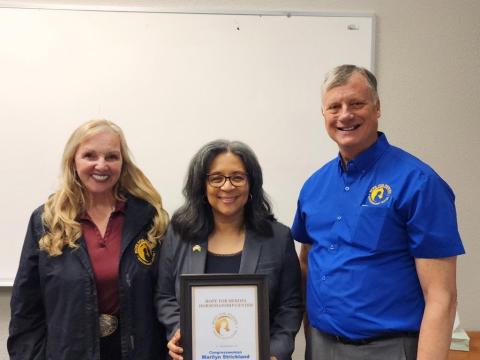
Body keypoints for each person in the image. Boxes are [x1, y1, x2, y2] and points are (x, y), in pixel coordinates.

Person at [292, 65, 465, 360]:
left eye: (356, 104)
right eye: (334, 106)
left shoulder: (419, 183)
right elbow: (307, 264)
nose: (345, 115)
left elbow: (442, 297)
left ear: (377, 108)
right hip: (321, 346)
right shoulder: (313, 186)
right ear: (324, 115)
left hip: (389, 348)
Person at [8, 119, 169, 360]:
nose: (101, 165)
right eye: (90, 156)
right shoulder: (47, 220)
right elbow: (26, 310)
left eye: (112, 157)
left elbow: (165, 297)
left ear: (123, 163)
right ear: (73, 160)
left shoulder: (148, 219)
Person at [155, 140, 303, 360]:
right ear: (201, 186)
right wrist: (180, 330)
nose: (227, 187)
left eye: (237, 177)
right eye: (216, 178)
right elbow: (165, 296)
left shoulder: (278, 237)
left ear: (251, 183)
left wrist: (275, 352)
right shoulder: (179, 234)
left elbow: (290, 305)